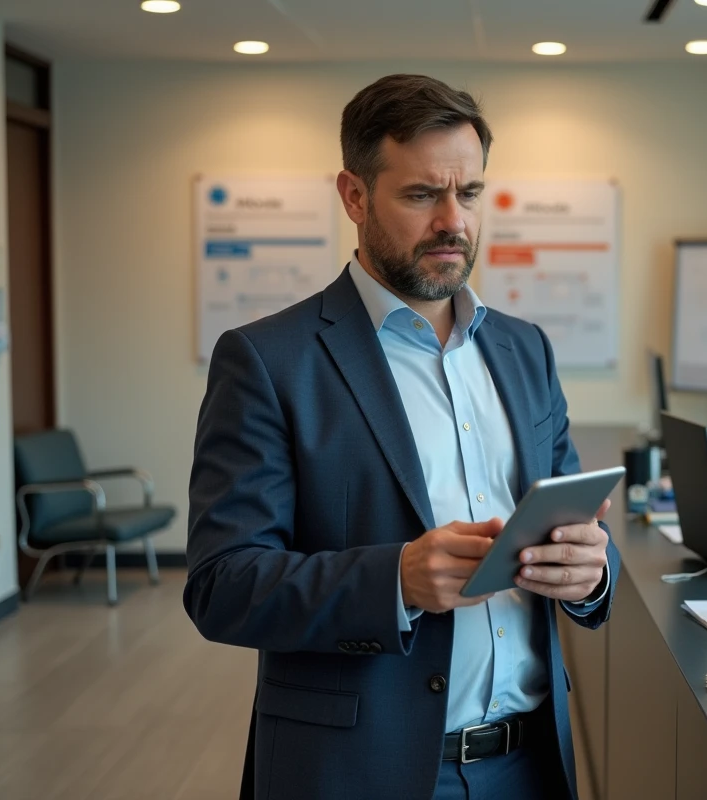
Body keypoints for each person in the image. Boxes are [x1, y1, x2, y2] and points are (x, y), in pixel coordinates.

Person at [184, 74, 620, 800]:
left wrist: (590, 576)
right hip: (362, 771)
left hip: (534, 763)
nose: (454, 221)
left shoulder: (525, 350)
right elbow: (222, 584)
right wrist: (396, 581)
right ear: (355, 197)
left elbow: (576, 536)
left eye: (471, 193)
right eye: (422, 195)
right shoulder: (269, 360)